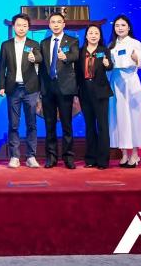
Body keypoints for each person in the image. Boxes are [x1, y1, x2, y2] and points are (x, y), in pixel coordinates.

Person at [107, 15, 141, 168]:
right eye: (117, 25)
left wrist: (136, 59)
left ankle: (135, 154)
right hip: (116, 82)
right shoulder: (111, 45)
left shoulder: (135, 43)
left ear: (129, 27)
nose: (120, 28)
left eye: (123, 25)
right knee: (119, 117)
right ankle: (124, 154)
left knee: (133, 117)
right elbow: (109, 67)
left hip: (130, 82)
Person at [0, 13, 42, 169]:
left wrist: (35, 58)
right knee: (14, 124)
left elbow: (40, 58)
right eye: (18, 25)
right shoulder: (6, 45)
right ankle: (15, 156)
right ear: (14, 26)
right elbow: (1, 67)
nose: (21, 28)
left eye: (24, 25)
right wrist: (1, 86)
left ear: (28, 28)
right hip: (13, 89)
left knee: (31, 124)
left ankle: (31, 156)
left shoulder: (34, 44)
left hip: (31, 89)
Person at [38, 12, 80, 169]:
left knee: (66, 125)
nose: (55, 24)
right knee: (49, 125)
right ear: (49, 25)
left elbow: (75, 55)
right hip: (48, 89)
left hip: (65, 88)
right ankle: (51, 157)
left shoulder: (72, 41)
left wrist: (65, 57)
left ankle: (68, 157)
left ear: (64, 24)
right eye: (53, 22)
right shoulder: (44, 43)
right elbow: (41, 66)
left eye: (58, 22)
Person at [76, 24, 113, 170]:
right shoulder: (80, 52)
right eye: (90, 33)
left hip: (101, 92)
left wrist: (107, 64)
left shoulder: (104, 50)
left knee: (102, 126)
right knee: (90, 126)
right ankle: (91, 159)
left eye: (96, 33)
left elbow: (110, 66)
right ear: (86, 36)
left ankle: (103, 160)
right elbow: (77, 73)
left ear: (100, 36)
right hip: (85, 91)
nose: (93, 35)